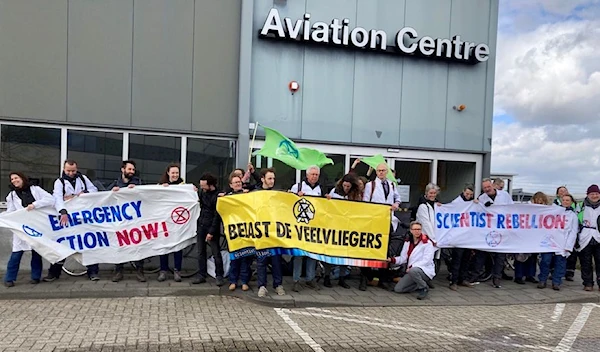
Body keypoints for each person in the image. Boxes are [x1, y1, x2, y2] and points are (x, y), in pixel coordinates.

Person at [43, 159, 99, 282]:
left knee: (88, 243)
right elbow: (57, 197)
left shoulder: (83, 179)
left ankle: (93, 272)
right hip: (67, 218)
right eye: (68, 170)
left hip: (83, 217)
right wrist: (63, 212)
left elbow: (94, 190)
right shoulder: (60, 182)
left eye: (73, 170)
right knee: (63, 244)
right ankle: (54, 273)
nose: (71, 173)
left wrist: (84, 193)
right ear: (64, 169)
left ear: (76, 169)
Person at [4, 172, 55, 287]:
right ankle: (9, 278)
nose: (14, 181)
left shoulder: (35, 190)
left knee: (36, 251)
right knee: (16, 253)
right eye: (12, 179)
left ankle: (35, 277)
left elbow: (50, 200)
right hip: (21, 227)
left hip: (35, 225)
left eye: (16, 178)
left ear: (22, 178)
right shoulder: (12, 195)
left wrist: (35, 205)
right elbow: (11, 211)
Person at [360, 162, 401, 291]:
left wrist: (396, 204)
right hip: (374, 222)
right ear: (376, 172)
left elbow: (397, 198)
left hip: (388, 221)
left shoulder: (392, 185)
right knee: (369, 249)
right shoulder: (370, 185)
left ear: (387, 172)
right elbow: (366, 203)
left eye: (383, 170)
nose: (381, 173)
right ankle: (366, 277)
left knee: (385, 251)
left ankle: (383, 278)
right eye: (379, 171)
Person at [323, 173, 361, 289]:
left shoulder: (355, 195)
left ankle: (342, 278)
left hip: (348, 228)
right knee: (330, 252)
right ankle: (327, 277)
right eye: (345, 186)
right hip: (335, 226)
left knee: (345, 253)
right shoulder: (335, 191)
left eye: (348, 186)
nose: (346, 188)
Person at [109, 160, 145, 283]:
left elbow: (147, 195)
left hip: (135, 221)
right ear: (122, 170)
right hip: (120, 221)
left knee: (138, 246)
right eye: (129, 169)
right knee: (120, 245)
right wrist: (111, 192)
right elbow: (103, 197)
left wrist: (137, 190)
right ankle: (119, 271)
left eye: (133, 170)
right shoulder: (115, 183)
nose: (132, 172)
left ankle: (140, 271)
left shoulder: (138, 182)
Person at [475, 178, 514, 288]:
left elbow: (512, 209)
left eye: (488, 187)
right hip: (487, 230)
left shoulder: (504, 195)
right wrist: (478, 204)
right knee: (481, 253)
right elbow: (477, 212)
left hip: (501, 228)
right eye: (485, 188)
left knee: (500, 255)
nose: (487, 189)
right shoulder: (482, 198)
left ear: (492, 185)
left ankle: (497, 277)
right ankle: (476, 274)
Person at [289, 165, 323, 292]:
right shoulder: (298, 187)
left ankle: (310, 278)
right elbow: (289, 203)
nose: (314, 176)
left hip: (314, 227)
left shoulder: (321, 188)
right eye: (312, 174)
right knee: (299, 255)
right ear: (307, 175)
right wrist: (296, 196)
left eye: (316, 175)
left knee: (312, 254)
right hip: (300, 226)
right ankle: (296, 280)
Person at [215, 173, 251, 291]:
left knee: (245, 258)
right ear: (231, 185)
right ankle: (233, 281)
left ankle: (245, 281)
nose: (238, 184)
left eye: (239, 182)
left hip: (245, 230)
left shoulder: (247, 195)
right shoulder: (227, 197)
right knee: (234, 258)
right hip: (233, 232)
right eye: (235, 182)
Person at [253, 168, 285, 297]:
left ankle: (278, 285)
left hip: (274, 233)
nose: (272, 181)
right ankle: (262, 286)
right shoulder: (255, 193)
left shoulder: (277, 194)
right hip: (261, 232)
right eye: (269, 178)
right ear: (262, 179)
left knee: (276, 260)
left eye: (273, 178)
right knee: (261, 261)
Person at [538, 193, 578, 290]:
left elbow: (573, 232)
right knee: (546, 261)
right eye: (563, 200)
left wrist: (568, 246)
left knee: (560, 263)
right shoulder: (554, 211)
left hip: (562, 242)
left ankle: (556, 282)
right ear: (561, 200)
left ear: (571, 202)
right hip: (550, 241)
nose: (565, 202)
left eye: (567, 200)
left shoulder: (573, 216)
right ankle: (542, 280)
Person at [388, 221, 435, 300]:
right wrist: (391, 260)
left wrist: (412, 267)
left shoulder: (427, 242)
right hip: (412, 271)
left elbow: (427, 260)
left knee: (413, 271)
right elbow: (403, 258)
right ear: (411, 230)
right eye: (415, 229)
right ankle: (419, 283)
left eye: (419, 229)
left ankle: (423, 288)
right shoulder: (408, 242)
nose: (417, 231)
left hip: (424, 270)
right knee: (398, 289)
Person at [192, 173, 224, 286]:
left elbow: (217, 216)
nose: (202, 188)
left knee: (216, 252)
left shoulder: (218, 196)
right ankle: (202, 274)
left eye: (203, 186)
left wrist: (211, 231)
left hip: (212, 226)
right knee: (200, 252)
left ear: (210, 185)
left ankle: (219, 275)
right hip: (201, 224)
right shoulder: (202, 192)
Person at [157, 164, 186, 282]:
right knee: (164, 246)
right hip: (165, 222)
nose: (175, 175)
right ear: (168, 173)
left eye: (177, 173)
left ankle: (177, 270)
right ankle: (163, 270)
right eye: (173, 173)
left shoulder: (184, 186)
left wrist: (193, 190)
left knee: (178, 247)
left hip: (177, 223)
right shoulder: (161, 185)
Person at [449, 184, 476, 291]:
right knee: (457, 259)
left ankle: (462, 278)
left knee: (466, 259)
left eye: (470, 194)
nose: (468, 196)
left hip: (467, 236)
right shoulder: (456, 203)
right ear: (463, 191)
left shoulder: (472, 203)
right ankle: (453, 281)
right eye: (467, 194)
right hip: (458, 236)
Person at [513, 192, 545, 285]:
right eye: (539, 201)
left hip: (534, 236)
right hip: (524, 235)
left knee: (533, 257)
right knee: (521, 257)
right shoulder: (526, 207)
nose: (540, 203)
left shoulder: (542, 210)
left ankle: (530, 275)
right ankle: (518, 276)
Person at [577, 184, 600, 291]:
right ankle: (588, 283)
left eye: (596, 193)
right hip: (585, 235)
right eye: (592, 194)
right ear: (588, 195)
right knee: (585, 261)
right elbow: (575, 221)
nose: (594, 196)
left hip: (598, 234)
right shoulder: (581, 205)